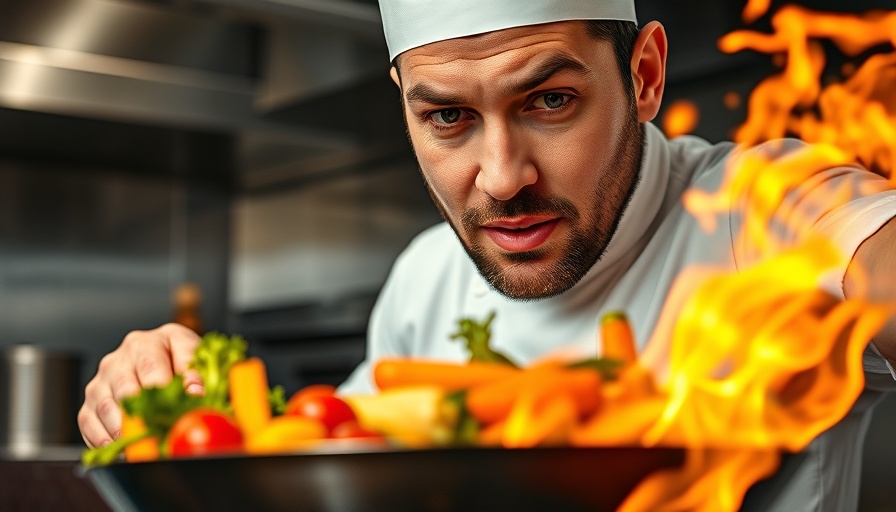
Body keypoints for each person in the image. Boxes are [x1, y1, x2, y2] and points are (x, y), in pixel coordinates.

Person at [78, 1, 896, 510]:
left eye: (550, 100)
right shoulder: (425, 281)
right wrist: (162, 395)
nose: (503, 179)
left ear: (644, 77)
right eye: (447, 119)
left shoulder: (771, 206)